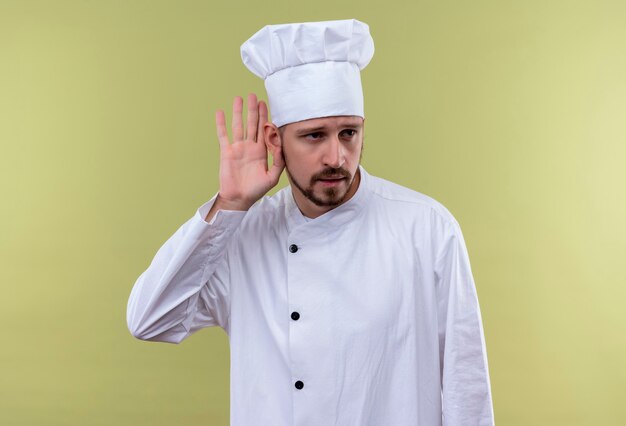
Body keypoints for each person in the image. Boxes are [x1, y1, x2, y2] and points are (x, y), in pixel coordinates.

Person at [127, 19, 495, 426]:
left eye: (348, 133)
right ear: (274, 141)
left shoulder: (427, 229)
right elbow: (150, 319)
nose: (336, 157)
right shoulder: (242, 236)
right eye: (315, 136)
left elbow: (467, 384)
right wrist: (229, 204)